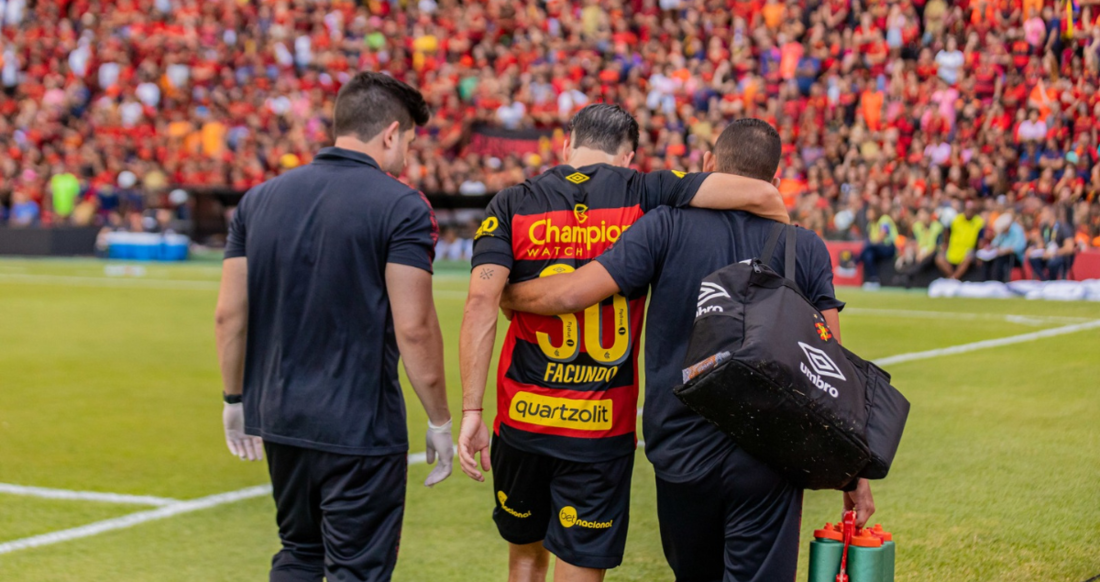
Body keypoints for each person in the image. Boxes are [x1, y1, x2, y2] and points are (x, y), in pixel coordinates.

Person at [500, 119, 875, 582]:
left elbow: (572, 293)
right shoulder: (806, 247)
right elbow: (831, 368)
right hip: (769, 456)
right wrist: (851, 471)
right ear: (774, 183)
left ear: (707, 167)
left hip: (680, 450)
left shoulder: (664, 225)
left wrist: (508, 295)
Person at [457, 105, 789, 582]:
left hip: (522, 417)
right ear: (629, 156)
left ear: (567, 144)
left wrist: (472, 411)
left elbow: (479, 304)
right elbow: (762, 194)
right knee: (581, 566)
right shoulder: (646, 190)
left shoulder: (513, 202)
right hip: (600, 426)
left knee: (525, 560)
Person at [214, 72, 454, 582]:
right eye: (408, 141)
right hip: (358, 425)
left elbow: (229, 315)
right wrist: (439, 419)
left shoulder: (258, 200)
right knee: (357, 570)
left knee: (298, 553)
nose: (407, 156)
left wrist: (234, 400)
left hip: (280, 416)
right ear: (391, 134)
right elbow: (415, 328)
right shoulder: (401, 205)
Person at [894, 208, 943, 286]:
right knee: (909, 251)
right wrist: (919, 253)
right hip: (920, 251)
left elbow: (936, 246)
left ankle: (907, 274)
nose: (919, 216)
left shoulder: (937, 226)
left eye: (922, 214)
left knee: (931, 255)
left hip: (932, 252)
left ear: (928, 215)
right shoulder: (917, 226)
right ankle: (905, 273)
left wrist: (924, 254)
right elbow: (915, 242)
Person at [936, 201, 985, 280]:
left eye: (971, 210)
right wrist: (946, 245)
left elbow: (981, 241)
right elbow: (947, 234)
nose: (968, 213)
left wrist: (980, 255)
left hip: (968, 250)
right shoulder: (956, 219)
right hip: (954, 249)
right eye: (967, 210)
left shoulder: (979, 222)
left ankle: (954, 278)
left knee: (968, 257)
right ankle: (953, 277)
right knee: (939, 258)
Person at [1028, 206, 1076, 280]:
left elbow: (1070, 248)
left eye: (1043, 213)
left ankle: (1052, 280)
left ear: (1051, 214)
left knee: (1053, 262)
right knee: (1033, 259)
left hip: (1060, 256)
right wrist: (1033, 249)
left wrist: (1054, 253)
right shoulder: (1044, 227)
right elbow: (1041, 244)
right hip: (1047, 254)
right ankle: (1044, 280)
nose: (1041, 215)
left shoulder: (1063, 227)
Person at [859, 202, 898, 288]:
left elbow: (881, 237)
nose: (867, 214)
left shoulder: (884, 219)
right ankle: (874, 279)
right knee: (868, 255)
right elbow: (870, 240)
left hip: (889, 247)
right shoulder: (870, 224)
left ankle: (855, 260)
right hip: (877, 249)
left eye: (869, 211)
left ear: (875, 211)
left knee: (868, 246)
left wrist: (870, 244)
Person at [984, 213, 1027, 282]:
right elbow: (996, 241)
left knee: (1000, 259)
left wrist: (1005, 250)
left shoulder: (1017, 230)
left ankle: (998, 282)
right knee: (987, 260)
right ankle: (987, 281)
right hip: (1001, 254)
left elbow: (1020, 247)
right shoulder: (1003, 232)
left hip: (1015, 257)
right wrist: (990, 247)